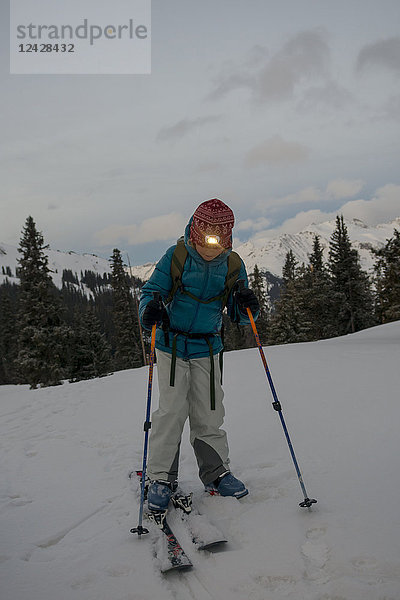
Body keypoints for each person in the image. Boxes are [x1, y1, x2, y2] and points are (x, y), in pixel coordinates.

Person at [139, 198, 259, 512]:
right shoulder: (177, 256)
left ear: (227, 235)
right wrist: (149, 309)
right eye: (207, 233)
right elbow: (152, 290)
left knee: (209, 412)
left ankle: (216, 473)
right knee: (172, 411)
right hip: (172, 346)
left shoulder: (233, 265)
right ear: (196, 229)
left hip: (207, 347)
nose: (211, 242)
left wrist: (248, 303)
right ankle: (161, 477)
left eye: (219, 235)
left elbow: (240, 315)